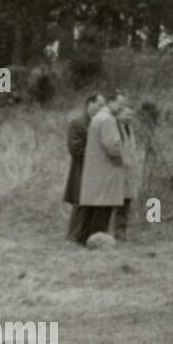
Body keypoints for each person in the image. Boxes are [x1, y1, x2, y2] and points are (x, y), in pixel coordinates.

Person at [77, 90, 127, 242]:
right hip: (106, 171)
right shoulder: (107, 119)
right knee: (103, 209)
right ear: (111, 102)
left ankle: (90, 239)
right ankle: (98, 242)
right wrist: (121, 160)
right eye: (120, 104)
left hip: (97, 172)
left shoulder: (98, 118)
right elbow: (112, 146)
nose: (122, 107)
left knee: (97, 208)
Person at [64, 93, 104, 242]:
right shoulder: (77, 123)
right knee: (80, 204)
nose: (102, 109)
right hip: (82, 170)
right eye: (100, 105)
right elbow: (75, 149)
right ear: (90, 104)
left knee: (94, 205)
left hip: (97, 172)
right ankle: (74, 237)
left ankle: (88, 237)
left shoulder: (100, 123)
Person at [111, 101, 140, 240]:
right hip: (117, 170)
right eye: (126, 114)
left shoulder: (129, 129)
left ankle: (121, 230)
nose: (129, 117)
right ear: (119, 113)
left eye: (131, 115)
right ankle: (114, 230)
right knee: (116, 201)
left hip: (129, 171)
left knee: (126, 201)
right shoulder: (113, 127)